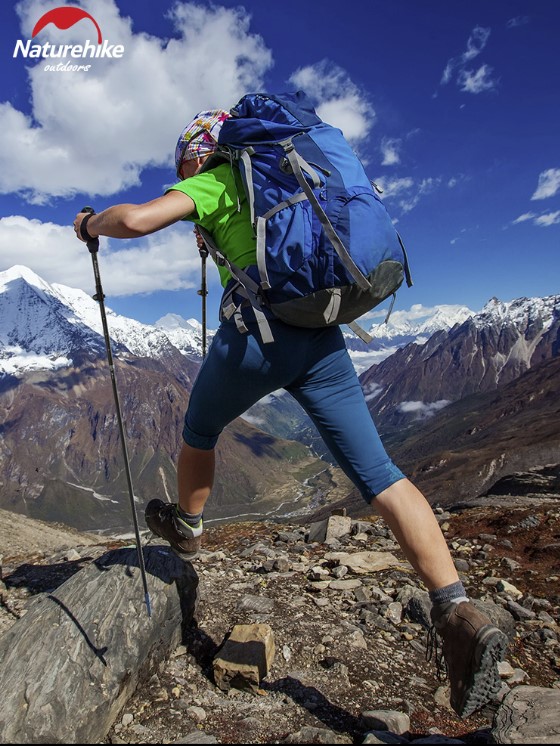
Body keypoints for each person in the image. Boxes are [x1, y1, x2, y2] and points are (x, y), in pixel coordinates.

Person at [73, 107, 507, 718]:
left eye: (182, 164)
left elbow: (140, 220)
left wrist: (92, 222)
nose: (182, 173)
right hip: (320, 334)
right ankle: (456, 609)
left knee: (199, 430)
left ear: (200, 153)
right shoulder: (285, 179)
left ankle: (188, 528)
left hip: (256, 339)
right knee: (381, 473)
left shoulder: (216, 179)